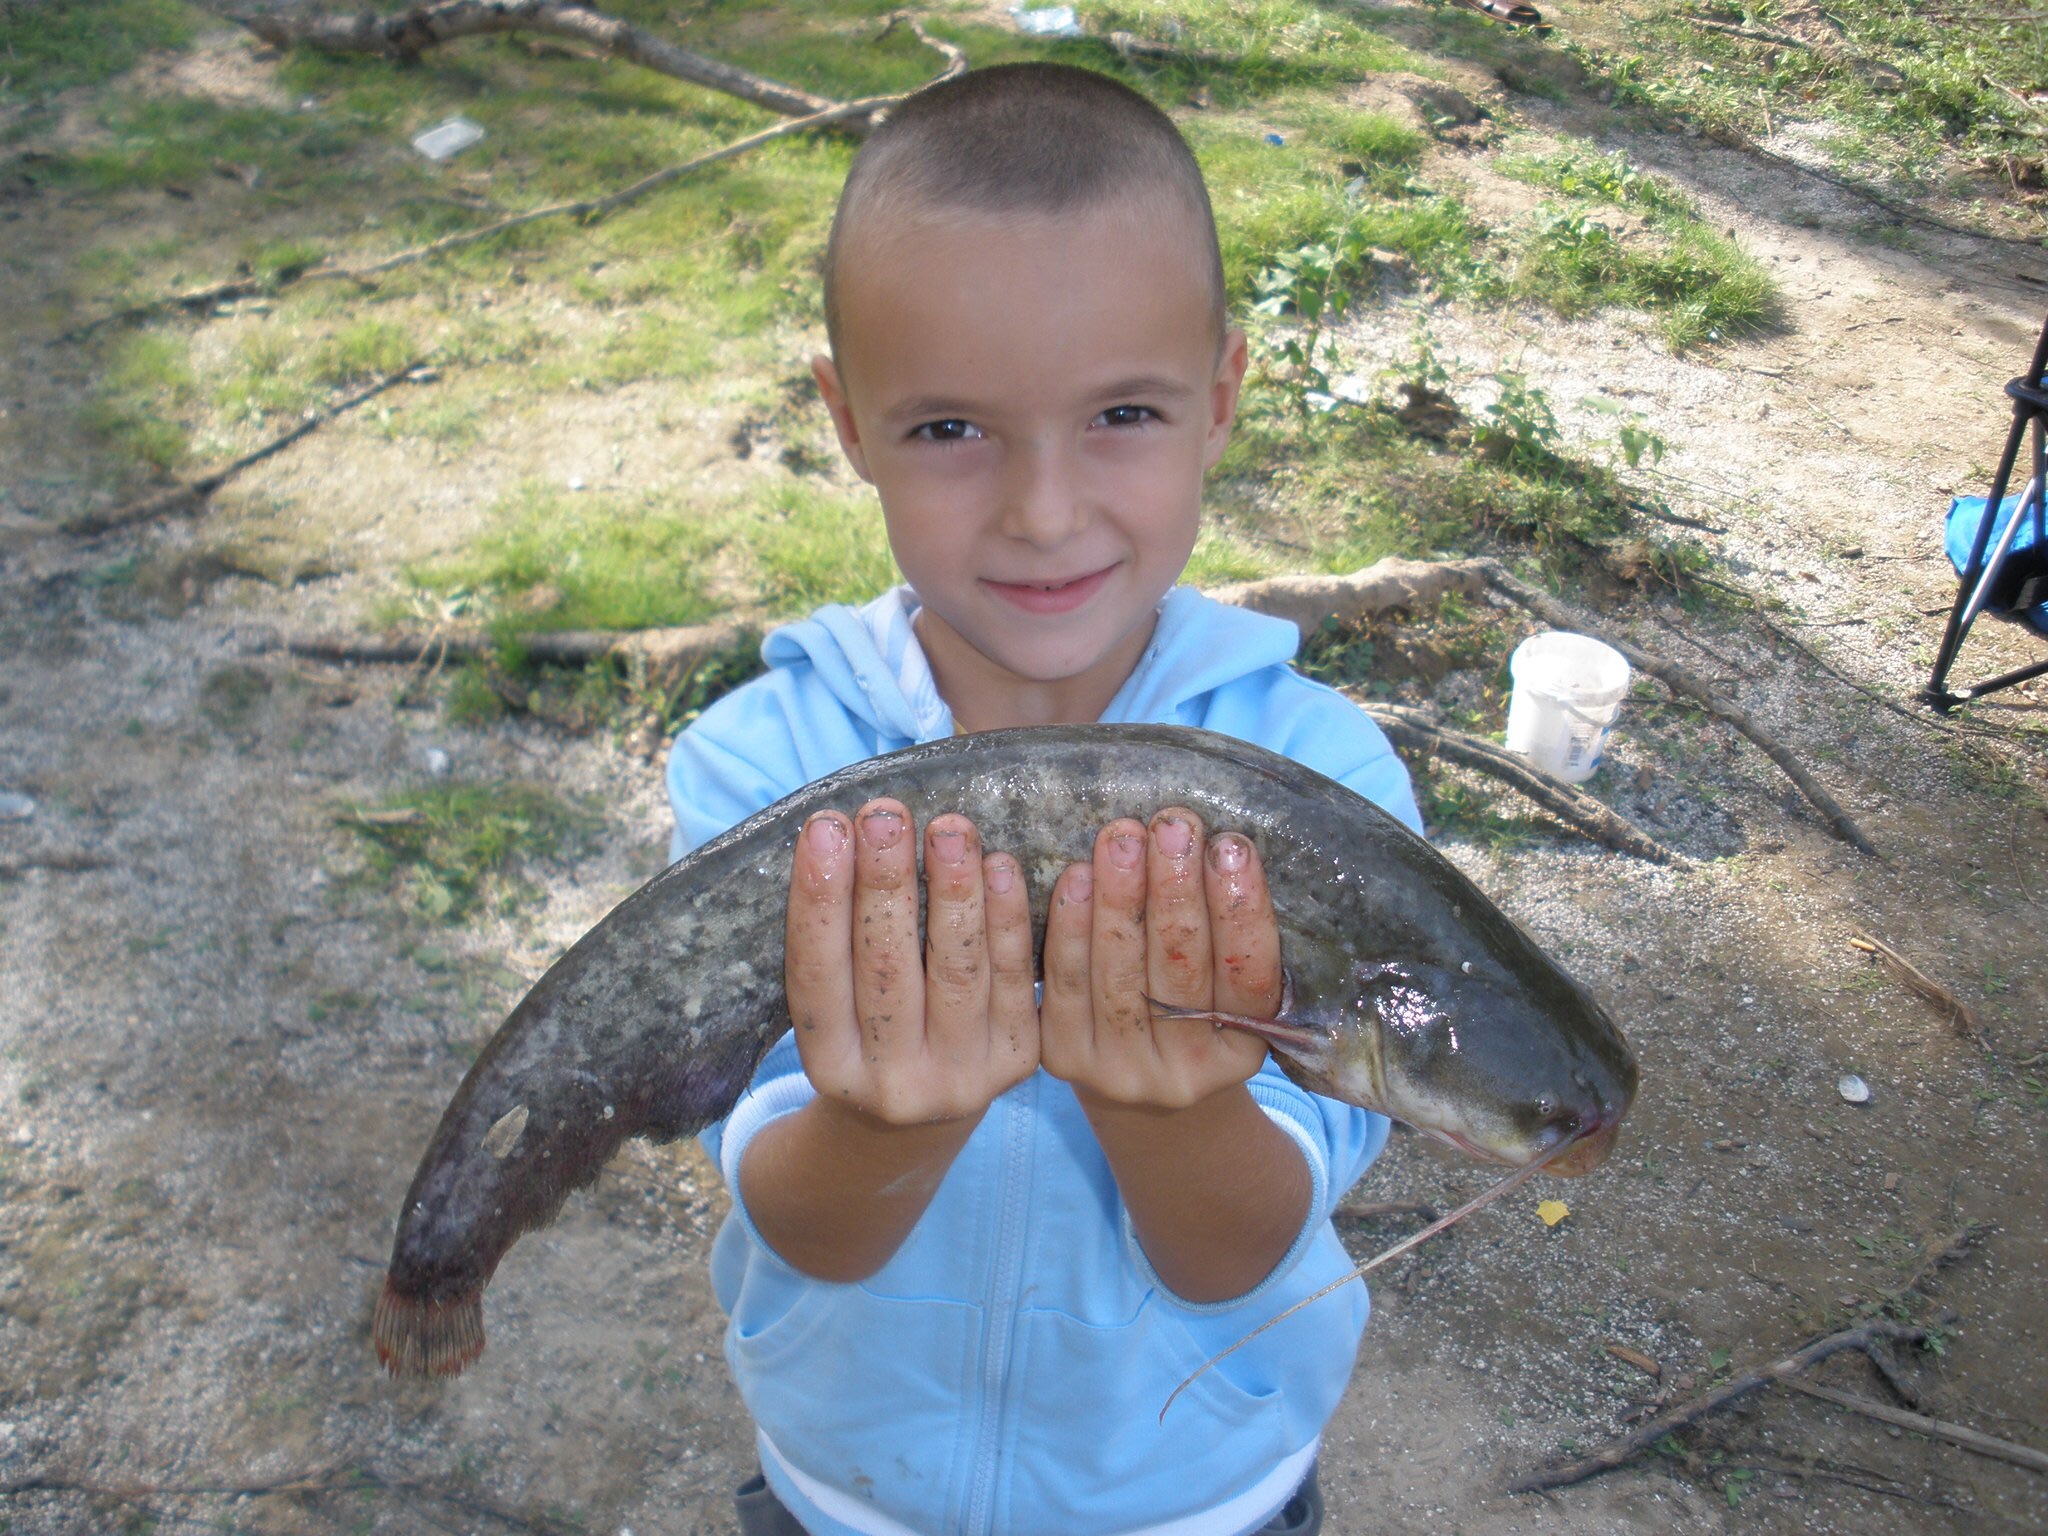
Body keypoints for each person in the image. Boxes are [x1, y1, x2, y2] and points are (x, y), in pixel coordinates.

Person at [665, 61, 1422, 1536]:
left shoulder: (1324, 793)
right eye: (951, 430)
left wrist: (1172, 1111)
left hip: (1201, 1503)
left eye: (1122, 412)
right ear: (847, 421)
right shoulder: (763, 780)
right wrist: (879, 1126)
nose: (1044, 511)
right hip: (848, 1499)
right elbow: (798, 1223)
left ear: (1222, 398)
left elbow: (1239, 1253)